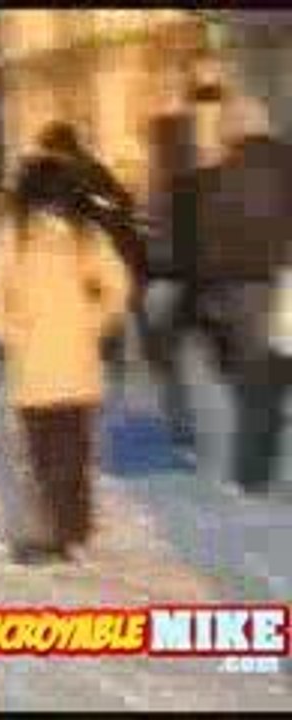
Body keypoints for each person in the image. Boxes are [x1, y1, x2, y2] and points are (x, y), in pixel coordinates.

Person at [0, 154, 131, 565]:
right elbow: (118, 286)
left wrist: (11, 331)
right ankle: (74, 526)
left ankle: (55, 534)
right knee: (74, 449)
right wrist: (94, 321)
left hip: (34, 364)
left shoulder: (13, 233)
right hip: (78, 361)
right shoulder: (86, 234)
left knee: (46, 452)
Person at [184, 94, 291, 495]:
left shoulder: (224, 174)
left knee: (255, 383)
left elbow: (211, 239)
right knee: (278, 374)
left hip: (246, 289)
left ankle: (252, 474)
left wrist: (212, 290)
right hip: (290, 280)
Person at [36, 122, 148, 395]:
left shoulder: (74, 172)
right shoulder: (92, 167)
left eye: (46, 150)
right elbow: (121, 202)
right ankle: (111, 361)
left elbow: (89, 209)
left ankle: (107, 364)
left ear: (57, 148)